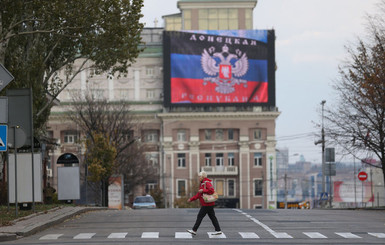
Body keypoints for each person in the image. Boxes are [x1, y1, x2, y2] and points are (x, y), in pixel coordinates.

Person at [186, 171, 222, 236]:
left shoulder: (206, 183)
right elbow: (198, 195)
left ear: (203, 177)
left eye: (200, 176)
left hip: (207, 204)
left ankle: (194, 230)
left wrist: (203, 190)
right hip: (208, 204)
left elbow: (212, 190)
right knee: (212, 217)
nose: (199, 178)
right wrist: (191, 199)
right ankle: (218, 230)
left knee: (200, 216)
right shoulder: (202, 183)